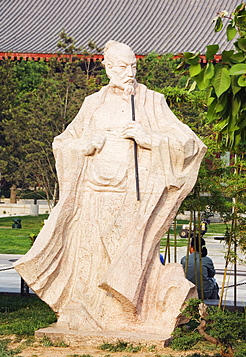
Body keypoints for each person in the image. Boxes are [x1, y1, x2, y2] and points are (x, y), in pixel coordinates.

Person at [14, 40, 207, 332]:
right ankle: (82, 312)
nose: (129, 72)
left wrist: (149, 139)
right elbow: (63, 143)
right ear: (107, 68)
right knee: (89, 260)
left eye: (133, 66)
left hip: (131, 197)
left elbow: (190, 144)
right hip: (93, 195)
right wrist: (83, 146)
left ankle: (127, 314)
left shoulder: (152, 101)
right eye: (121, 67)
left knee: (123, 257)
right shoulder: (93, 103)